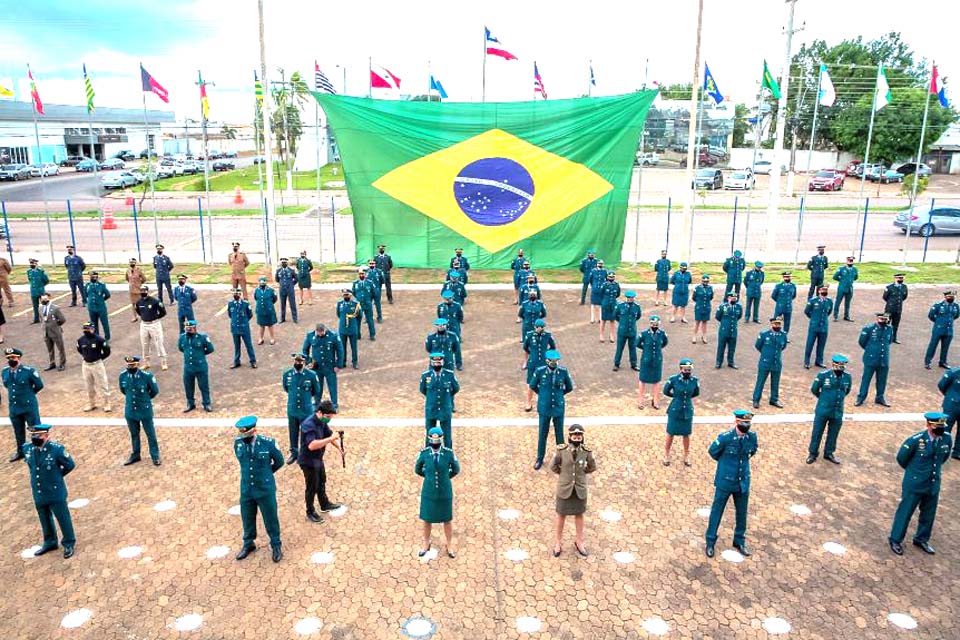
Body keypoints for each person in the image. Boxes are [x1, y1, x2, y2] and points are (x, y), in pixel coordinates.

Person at [888, 412, 952, 556]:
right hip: (915, 484)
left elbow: (943, 458)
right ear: (928, 425)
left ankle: (921, 539)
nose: (940, 430)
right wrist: (915, 473)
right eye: (937, 427)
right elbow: (902, 459)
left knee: (929, 514)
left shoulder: (946, 438)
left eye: (942, 426)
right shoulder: (915, 441)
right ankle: (895, 539)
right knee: (905, 512)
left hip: (933, 483)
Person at [704, 410, 758, 559]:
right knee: (717, 511)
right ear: (736, 422)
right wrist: (725, 464)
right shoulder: (725, 438)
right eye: (743, 423)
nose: (745, 426)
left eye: (748, 423)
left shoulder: (752, 437)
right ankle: (710, 541)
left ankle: (739, 541)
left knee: (742, 512)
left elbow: (752, 451)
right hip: (726, 480)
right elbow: (713, 452)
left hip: (742, 481)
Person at [233, 415, 284, 563]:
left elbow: (279, 461)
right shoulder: (238, 443)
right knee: (247, 517)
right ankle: (248, 543)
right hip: (247, 488)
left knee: (270, 518)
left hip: (264, 489)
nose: (244, 438)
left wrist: (267, 474)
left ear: (254, 431)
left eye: (246, 435)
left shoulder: (269, 443)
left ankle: (276, 545)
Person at [23, 424, 76, 559]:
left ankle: (68, 542)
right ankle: (50, 541)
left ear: (46, 436)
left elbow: (70, 465)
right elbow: (31, 466)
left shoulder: (56, 450)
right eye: (33, 435)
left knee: (62, 517)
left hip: (55, 491)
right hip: (39, 491)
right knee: (44, 517)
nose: (35, 438)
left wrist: (57, 477)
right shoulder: (27, 448)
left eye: (38, 435)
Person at [551, 424, 596, 557]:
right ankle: (558, 542)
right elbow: (553, 465)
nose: (577, 437)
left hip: (579, 489)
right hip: (564, 488)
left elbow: (592, 466)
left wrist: (581, 474)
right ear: (570, 436)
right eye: (574, 435)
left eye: (579, 435)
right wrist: (564, 474)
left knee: (579, 515)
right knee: (561, 515)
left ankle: (579, 541)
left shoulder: (586, 451)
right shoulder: (562, 450)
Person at [416, 426, 460, 558]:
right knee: (427, 519)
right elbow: (418, 469)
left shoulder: (448, 453)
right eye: (433, 442)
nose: (435, 445)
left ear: (441, 440)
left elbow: (456, 469)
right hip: (429, 492)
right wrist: (428, 477)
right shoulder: (424, 454)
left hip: (444, 492)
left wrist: (445, 477)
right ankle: (426, 543)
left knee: (447, 520)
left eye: (437, 442)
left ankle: (449, 544)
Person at [298, 400, 343, 524]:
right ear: (319, 412)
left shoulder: (322, 422)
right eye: (327, 416)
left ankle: (324, 504)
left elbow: (329, 435)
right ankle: (310, 511)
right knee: (311, 487)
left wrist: (339, 448)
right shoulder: (308, 425)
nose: (329, 419)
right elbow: (312, 445)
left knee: (322, 481)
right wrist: (330, 438)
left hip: (317, 459)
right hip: (308, 461)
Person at [530, 349, 573, 470]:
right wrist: (543, 395)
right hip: (544, 408)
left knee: (560, 435)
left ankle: (562, 458)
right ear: (547, 361)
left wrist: (560, 395)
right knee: (542, 434)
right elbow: (533, 385)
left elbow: (569, 387)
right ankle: (540, 458)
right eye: (552, 361)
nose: (554, 363)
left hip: (558, 407)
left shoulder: (563, 372)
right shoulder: (540, 371)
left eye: (556, 361)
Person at [806, 353, 852, 465]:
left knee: (833, 434)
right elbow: (814, 389)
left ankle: (829, 452)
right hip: (823, 410)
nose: (841, 367)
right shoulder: (823, 376)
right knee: (817, 432)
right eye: (839, 365)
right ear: (834, 364)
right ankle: (812, 453)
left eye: (842, 365)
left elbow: (847, 391)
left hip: (837, 411)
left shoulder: (847, 377)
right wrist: (823, 399)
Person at [118, 355, 161, 466]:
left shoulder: (146, 376)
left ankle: (155, 456)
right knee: (134, 434)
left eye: (133, 365)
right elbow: (123, 390)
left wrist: (145, 399)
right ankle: (135, 454)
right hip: (130, 410)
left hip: (144, 410)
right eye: (129, 365)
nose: (130, 367)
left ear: (137, 365)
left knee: (150, 434)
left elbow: (155, 391)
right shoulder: (123, 376)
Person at [3, 348, 43, 462]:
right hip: (14, 408)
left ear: (19, 358)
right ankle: (21, 452)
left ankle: (38, 451)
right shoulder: (5, 372)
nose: (11, 360)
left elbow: (39, 385)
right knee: (18, 431)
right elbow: (7, 385)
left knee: (35, 430)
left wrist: (29, 395)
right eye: (9, 358)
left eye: (13, 358)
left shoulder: (29, 371)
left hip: (28, 406)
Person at [283, 353, 321, 464]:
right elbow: (286, 388)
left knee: (307, 432)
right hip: (293, 409)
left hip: (306, 410)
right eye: (296, 361)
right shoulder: (287, 374)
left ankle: (305, 454)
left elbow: (316, 390)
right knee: (293, 432)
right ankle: (294, 453)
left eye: (300, 362)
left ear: (304, 362)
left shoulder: (311, 375)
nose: (298, 363)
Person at [663, 358, 700, 467]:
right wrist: (676, 397)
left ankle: (686, 455)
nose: (687, 372)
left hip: (687, 410)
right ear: (681, 369)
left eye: (689, 370)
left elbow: (696, 393)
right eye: (685, 370)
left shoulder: (694, 381)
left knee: (686, 434)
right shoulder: (673, 379)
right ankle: (666, 454)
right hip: (675, 409)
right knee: (670, 433)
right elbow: (666, 391)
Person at [420, 353, 460, 448]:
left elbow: (456, 388)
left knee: (447, 435)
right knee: (429, 433)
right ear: (431, 363)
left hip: (445, 409)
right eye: (435, 362)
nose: (437, 364)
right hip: (431, 409)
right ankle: (428, 452)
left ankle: (448, 453)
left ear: (442, 362)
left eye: (439, 362)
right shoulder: (425, 376)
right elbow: (423, 390)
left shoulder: (449, 375)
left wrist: (447, 397)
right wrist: (431, 397)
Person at [855, 312, 893, 407]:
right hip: (871, 358)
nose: (884, 321)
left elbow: (889, 341)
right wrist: (870, 350)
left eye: (885, 320)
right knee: (866, 379)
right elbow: (862, 342)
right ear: (877, 319)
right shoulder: (869, 329)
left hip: (883, 359)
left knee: (882, 380)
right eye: (882, 319)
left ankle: (880, 397)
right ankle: (861, 397)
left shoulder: (889, 329)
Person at [303, 324, 343, 410]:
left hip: (330, 366)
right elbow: (305, 350)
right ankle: (317, 403)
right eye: (319, 333)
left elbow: (340, 351)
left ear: (325, 330)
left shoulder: (333, 336)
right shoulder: (310, 336)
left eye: (322, 332)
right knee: (317, 386)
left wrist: (338, 365)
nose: (320, 334)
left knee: (332, 386)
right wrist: (309, 362)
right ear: (316, 331)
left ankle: (334, 404)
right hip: (316, 367)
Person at [177, 320, 214, 413]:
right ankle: (190, 404)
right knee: (188, 386)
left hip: (200, 367)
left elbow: (210, 349)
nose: (188, 330)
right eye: (186, 328)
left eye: (190, 328)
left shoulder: (202, 337)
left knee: (204, 386)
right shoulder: (182, 337)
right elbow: (181, 348)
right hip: (188, 367)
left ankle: (206, 403)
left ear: (194, 328)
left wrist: (200, 355)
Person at [752, 316, 788, 409]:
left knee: (775, 382)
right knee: (760, 382)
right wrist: (765, 354)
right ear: (771, 324)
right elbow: (758, 346)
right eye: (776, 324)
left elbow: (783, 346)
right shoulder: (764, 334)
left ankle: (774, 399)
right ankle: (756, 400)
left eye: (779, 324)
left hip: (776, 362)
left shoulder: (783, 335)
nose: (778, 326)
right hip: (765, 362)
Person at [77, 323, 112, 413]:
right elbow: (80, 350)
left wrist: (99, 358)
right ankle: (91, 403)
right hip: (86, 365)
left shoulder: (99, 340)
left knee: (102, 384)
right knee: (88, 385)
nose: (87, 331)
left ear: (93, 329)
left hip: (97, 364)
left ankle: (107, 403)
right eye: (85, 329)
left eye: (89, 329)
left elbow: (107, 351)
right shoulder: (81, 340)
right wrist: (87, 357)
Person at [523, 319, 556, 411]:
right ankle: (528, 402)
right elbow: (525, 347)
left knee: (544, 382)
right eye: (538, 327)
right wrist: (532, 354)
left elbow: (553, 347)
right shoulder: (530, 335)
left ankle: (543, 401)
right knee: (530, 383)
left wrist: (547, 354)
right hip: (533, 363)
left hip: (543, 363)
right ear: (535, 327)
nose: (539, 329)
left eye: (541, 327)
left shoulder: (547, 336)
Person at [638, 316, 669, 409]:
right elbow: (637, 343)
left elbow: (664, 343)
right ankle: (640, 401)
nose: (654, 326)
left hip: (657, 360)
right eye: (653, 324)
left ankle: (655, 401)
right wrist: (646, 349)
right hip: (646, 360)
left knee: (656, 381)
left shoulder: (662, 334)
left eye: (656, 324)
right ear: (650, 324)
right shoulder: (644, 334)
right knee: (642, 380)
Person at [135, 284, 168, 371]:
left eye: (144, 291)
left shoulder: (155, 301)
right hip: (144, 325)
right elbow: (138, 311)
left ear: (147, 291)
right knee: (144, 344)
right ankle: (146, 363)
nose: (142, 292)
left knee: (159, 343)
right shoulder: (139, 302)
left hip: (154, 324)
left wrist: (155, 317)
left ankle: (163, 363)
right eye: (141, 291)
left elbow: (163, 312)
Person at [924, 290, 959, 370]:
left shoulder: (956, 306)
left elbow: (956, 315)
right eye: (949, 297)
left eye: (953, 297)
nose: (951, 298)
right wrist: (938, 322)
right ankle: (927, 362)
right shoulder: (938, 305)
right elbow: (931, 316)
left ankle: (942, 362)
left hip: (949, 330)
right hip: (938, 329)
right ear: (945, 297)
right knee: (933, 346)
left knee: (945, 347)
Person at [803, 286, 833, 369]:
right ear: (819, 291)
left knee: (821, 345)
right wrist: (813, 318)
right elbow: (806, 311)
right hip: (814, 326)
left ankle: (819, 361)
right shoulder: (813, 301)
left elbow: (829, 312)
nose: (824, 291)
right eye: (823, 289)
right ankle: (807, 361)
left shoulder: (829, 301)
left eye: (826, 290)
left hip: (824, 326)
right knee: (810, 344)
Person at [227, 288, 256, 369]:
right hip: (235, 328)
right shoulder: (230, 304)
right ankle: (237, 362)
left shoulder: (245, 304)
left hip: (244, 328)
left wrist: (244, 322)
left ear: (240, 294)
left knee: (248, 345)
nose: (235, 295)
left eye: (236, 294)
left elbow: (250, 315)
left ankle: (253, 361)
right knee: (237, 346)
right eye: (234, 294)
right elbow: (230, 315)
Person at [613, 290, 641, 371]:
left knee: (633, 348)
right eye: (629, 298)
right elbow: (615, 315)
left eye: (631, 298)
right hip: (622, 331)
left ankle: (634, 364)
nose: (630, 299)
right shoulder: (620, 306)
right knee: (619, 348)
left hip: (632, 331)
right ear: (626, 298)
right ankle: (616, 364)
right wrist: (622, 322)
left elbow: (638, 316)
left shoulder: (637, 307)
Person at [38, 293, 66, 372]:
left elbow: (62, 319)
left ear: (49, 298)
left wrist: (56, 325)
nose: (44, 301)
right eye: (42, 299)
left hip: (55, 331)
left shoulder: (55, 308)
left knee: (60, 348)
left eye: (45, 299)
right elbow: (42, 319)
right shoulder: (40, 308)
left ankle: (62, 363)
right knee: (50, 349)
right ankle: (52, 363)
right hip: (46, 332)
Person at [937, 366, 960, 460]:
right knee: (945, 429)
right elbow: (941, 385)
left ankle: (957, 452)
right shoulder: (954, 372)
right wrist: (949, 396)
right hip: (951, 406)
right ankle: (940, 451)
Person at [715, 292, 742, 369]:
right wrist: (725, 323)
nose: (734, 299)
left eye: (735, 298)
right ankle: (719, 362)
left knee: (732, 347)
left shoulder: (738, 307)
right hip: (724, 330)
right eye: (732, 298)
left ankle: (731, 362)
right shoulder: (722, 306)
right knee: (721, 347)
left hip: (733, 330)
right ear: (728, 298)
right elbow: (718, 317)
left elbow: (739, 316)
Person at [337, 289, 362, 369]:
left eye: (347, 295)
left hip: (352, 329)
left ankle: (355, 362)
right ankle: (343, 362)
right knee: (342, 347)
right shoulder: (339, 304)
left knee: (354, 347)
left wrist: (356, 326)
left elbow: (359, 316)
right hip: (342, 329)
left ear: (350, 295)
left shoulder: (356, 304)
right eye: (344, 295)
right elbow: (338, 314)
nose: (345, 296)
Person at [84, 271, 111, 343]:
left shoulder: (101, 285)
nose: (94, 278)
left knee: (104, 323)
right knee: (94, 324)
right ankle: (96, 337)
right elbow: (86, 295)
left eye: (96, 277)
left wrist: (101, 300)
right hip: (92, 308)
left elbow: (108, 295)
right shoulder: (87, 285)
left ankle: (107, 338)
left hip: (101, 308)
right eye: (93, 277)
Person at [883, 273, 908, 344]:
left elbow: (904, 297)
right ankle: (884, 338)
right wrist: (891, 303)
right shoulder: (889, 287)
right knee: (885, 323)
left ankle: (893, 338)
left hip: (898, 309)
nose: (901, 279)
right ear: (895, 278)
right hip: (889, 309)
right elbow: (885, 297)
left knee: (895, 325)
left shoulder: (904, 287)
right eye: (899, 278)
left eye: (902, 278)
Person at [352, 268, 377, 340]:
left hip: (367, 304)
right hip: (359, 305)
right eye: (360, 274)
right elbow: (354, 292)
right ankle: (358, 334)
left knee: (370, 320)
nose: (361, 275)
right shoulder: (355, 283)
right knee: (357, 320)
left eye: (362, 274)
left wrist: (369, 300)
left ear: (365, 274)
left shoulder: (370, 283)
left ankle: (372, 335)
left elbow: (373, 293)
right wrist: (358, 299)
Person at [770, 271, 797, 338]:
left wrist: (788, 301)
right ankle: (775, 335)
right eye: (786, 277)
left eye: (789, 277)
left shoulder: (793, 286)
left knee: (787, 323)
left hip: (788, 307)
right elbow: (773, 296)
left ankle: (785, 336)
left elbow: (794, 296)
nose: (787, 278)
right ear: (783, 277)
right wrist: (779, 302)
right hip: (780, 307)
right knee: (776, 321)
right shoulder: (779, 286)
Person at [832, 256, 858, 321]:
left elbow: (856, 277)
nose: (850, 262)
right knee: (838, 302)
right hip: (842, 288)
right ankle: (835, 316)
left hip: (850, 288)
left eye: (851, 261)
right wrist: (842, 280)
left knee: (847, 303)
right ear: (846, 261)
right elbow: (835, 277)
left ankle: (846, 316)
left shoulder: (854, 269)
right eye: (849, 261)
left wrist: (850, 281)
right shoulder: (841, 269)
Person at [254, 277, 278, 345]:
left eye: (263, 282)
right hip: (260, 310)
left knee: (270, 325)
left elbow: (274, 299)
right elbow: (256, 298)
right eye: (261, 282)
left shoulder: (271, 290)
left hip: (268, 310)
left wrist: (269, 305)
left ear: (266, 282)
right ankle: (261, 338)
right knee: (261, 325)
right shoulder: (256, 290)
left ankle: (272, 338)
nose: (262, 284)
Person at [599, 271, 621, 343]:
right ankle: (601, 334)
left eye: (612, 277)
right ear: (607, 277)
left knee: (612, 320)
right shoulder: (604, 285)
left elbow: (618, 294)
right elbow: (601, 294)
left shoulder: (616, 285)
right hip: (605, 304)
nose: (611, 278)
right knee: (603, 320)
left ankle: (611, 335)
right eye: (610, 277)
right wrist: (604, 301)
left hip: (613, 304)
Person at [275, 257, 299, 324]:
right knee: (282, 304)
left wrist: (292, 284)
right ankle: (282, 318)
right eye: (282, 262)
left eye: (285, 262)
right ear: (281, 263)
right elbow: (277, 279)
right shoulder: (278, 271)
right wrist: (281, 284)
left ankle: (295, 318)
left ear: (287, 263)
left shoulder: (291, 270)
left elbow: (296, 279)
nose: (283, 263)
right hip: (282, 289)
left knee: (292, 304)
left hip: (290, 289)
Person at [692, 274, 714, 344]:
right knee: (697, 322)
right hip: (699, 307)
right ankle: (694, 336)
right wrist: (699, 302)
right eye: (704, 281)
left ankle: (704, 336)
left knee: (705, 322)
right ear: (701, 281)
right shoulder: (697, 288)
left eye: (707, 281)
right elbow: (694, 298)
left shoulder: (710, 288)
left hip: (707, 307)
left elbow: (711, 297)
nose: (705, 282)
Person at [26, 258, 49, 324]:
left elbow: (46, 281)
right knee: (35, 306)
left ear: (36, 264)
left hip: (41, 291)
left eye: (33, 263)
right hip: (33, 291)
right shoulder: (29, 271)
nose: (31, 265)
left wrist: (41, 286)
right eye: (30, 263)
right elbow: (30, 280)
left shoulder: (41, 271)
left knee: (45, 305)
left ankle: (47, 318)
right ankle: (36, 319)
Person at [588, 259, 607, 324]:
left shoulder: (604, 271)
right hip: (595, 290)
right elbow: (590, 280)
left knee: (601, 305)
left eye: (601, 264)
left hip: (601, 291)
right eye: (599, 263)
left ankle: (600, 318)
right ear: (597, 264)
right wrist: (594, 286)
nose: (600, 265)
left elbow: (606, 280)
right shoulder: (593, 271)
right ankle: (592, 319)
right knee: (593, 304)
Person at [365, 258, 385, 323]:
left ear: (375, 264)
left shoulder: (379, 271)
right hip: (368, 292)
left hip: (376, 291)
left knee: (378, 305)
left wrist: (378, 288)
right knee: (368, 305)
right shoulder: (365, 272)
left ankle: (379, 318)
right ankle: (368, 318)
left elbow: (382, 281)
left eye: (373, 263)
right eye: (370, 263)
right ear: (368, 264)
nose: (371, 265)